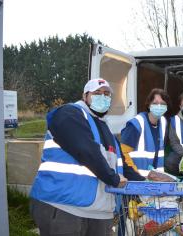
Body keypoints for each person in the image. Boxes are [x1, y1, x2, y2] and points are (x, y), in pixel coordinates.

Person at [30, 78, 138, 236]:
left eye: (107, 94)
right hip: (64, 207)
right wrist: (113, 179)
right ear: (85, 96)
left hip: (98, 212)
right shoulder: (69, 114)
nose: (103, 97)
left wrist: (150, 181)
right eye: (97, 93)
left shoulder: (106, 130)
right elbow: (85, 150)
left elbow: (124, 167)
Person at [121, 88, 170, 177]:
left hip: (154, 181)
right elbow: (123, 153)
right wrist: (135, 175)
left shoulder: (163, 122)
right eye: (155, 103)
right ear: (149, 104)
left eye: (162, 104)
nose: (159, 106)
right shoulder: (136, 124)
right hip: (136, 180)